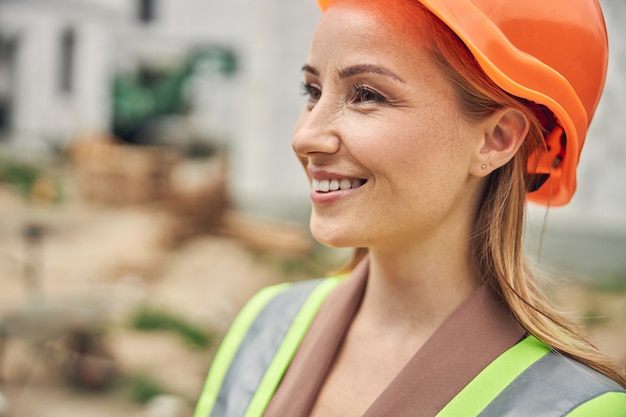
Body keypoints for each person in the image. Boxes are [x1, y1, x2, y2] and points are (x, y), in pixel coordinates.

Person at [194, 0, 626, 416]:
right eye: (313, 90)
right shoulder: (265, 324)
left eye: (366, 94)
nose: (304, 137)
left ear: (496, 139)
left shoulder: (577, 409)